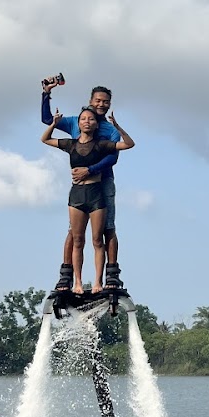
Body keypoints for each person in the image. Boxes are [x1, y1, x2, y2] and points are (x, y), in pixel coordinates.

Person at [41, 105, 134, 294]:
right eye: (83, 119)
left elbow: (128, 144)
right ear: (78, 123)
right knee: (77, 240)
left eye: (91, 119)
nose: (87, 122)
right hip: (76, 195)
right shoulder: (71, 144)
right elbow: (45, 139)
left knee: (97, 240)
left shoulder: (101, 144)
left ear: (96, 125)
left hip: (96, 194)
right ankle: (77, 282)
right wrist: (54, 123)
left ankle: (98, 282)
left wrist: (117, 127)